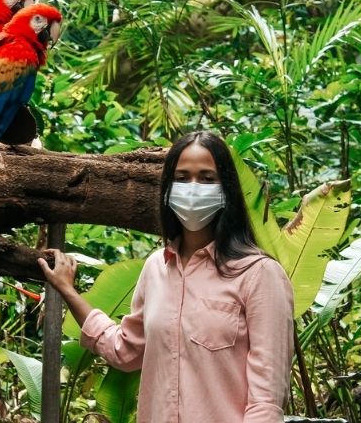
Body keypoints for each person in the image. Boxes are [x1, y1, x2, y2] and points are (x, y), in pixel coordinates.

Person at [39, 131, 294, 423]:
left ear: (227, 189)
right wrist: (67, 290)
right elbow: (125, 350)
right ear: (168, 189)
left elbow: (266, 401)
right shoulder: (156, 268)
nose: (193, 188)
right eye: (183, 178)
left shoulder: (259, 275)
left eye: (207, 178)